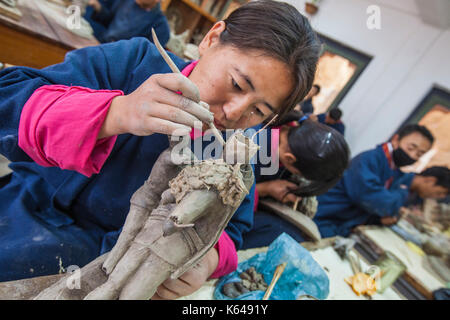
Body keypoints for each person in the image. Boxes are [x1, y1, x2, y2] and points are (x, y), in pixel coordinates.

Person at [0, 0, 320, 299]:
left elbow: (233, 225)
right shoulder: (135, 62)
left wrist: (207, 259)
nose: (235, 113)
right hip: (25, 220)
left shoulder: (235, 149)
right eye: (237, 84)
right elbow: (9, 100)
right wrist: (115, 112)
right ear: (212, 38)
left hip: (122, 267)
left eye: (260, 111)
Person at [240, 112, 350, 249]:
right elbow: (226, 193)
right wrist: (265, 189)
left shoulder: (287, 131)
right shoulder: (251, 148)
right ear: (290, 158)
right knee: (282, 232)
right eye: (299, 173)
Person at [313, 124, 437, 238]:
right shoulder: (370, 160)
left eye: (419, 154)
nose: (413, 155)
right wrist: (402, 191)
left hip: (340, 225)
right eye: (411, 148)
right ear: (395, 140)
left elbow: (385, 208)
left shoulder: (393, 169)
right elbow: (380, 203)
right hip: (323, 219)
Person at [84, 0, 171, 46]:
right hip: (99, 42)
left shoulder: (160, 26)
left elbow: (145, 56)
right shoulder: (127, 2)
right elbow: (110, 22)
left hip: (115, 58)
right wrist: (98, 7)